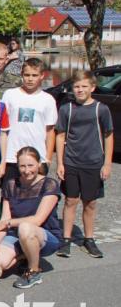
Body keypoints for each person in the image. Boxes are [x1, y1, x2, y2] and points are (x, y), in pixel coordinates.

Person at [55, 71, 113, 258]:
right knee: (70, 200)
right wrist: (60, 163)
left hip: (93, 163)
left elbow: (108, 135)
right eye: (76, 86)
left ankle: (89, 239)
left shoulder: (101, 109)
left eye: (84, 86)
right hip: (71, 161)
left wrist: (107, 163)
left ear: (92, 88)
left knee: (90, 203)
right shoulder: (67, 109)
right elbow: (60, 135)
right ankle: (66, 239)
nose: (80, 90)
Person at [0, 147, 62, 289]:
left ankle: (33, 271)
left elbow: (38, 220)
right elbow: (4, 220)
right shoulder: (10, 185)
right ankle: (24, 254)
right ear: (17, 166)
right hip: (16, 235)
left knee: (25, 227)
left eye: (30, 165)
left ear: (39, 164)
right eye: (22, 166)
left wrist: (8, 223)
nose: (27, 170)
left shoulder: (49, 184)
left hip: (45, 236)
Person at [0, 58, 57, 182]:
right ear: (22, 75)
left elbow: (50, 131)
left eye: (34, 75)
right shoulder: (9, 95)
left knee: (35, 193)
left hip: (36, 158)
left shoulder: (48, 99)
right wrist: (2, 159)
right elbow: (2, 129)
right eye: (27, 75)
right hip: (11, 157)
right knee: (9, 191)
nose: (30, 79)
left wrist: (47, 159)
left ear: (42, 76)